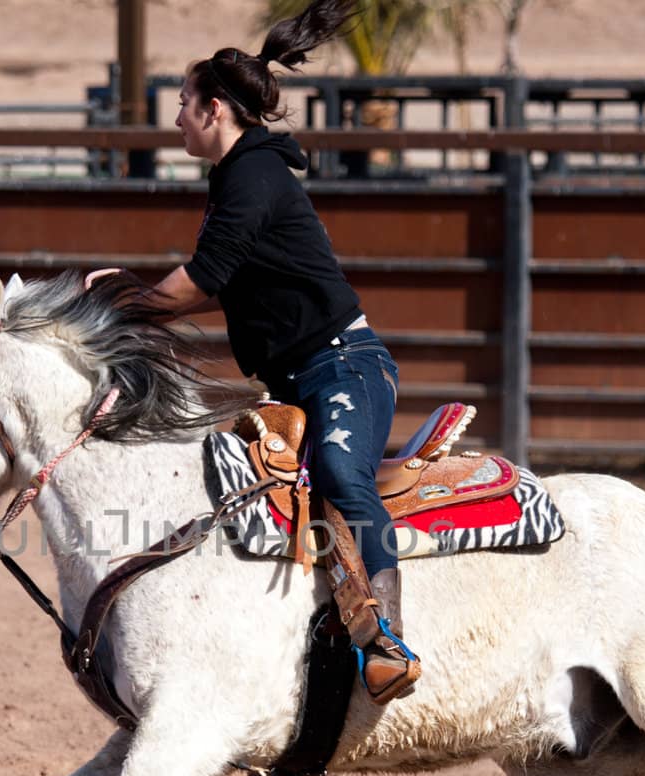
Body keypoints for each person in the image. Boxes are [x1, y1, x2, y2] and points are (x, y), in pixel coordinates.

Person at [89, 0, 419, 704]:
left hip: (344, 368)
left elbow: (201, 282)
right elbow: (219, 284)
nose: (176, 117)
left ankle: (386, 633)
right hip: (299, 376)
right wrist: (136, 295)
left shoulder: (251, 180)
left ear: (214, 110)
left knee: (338, 468)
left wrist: (124, 300)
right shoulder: (241, 177)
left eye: (182, 104)